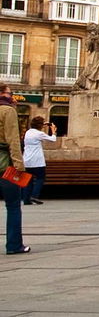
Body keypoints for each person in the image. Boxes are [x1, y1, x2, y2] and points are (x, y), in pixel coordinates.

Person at [0, 85, 28, 253]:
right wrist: (19, 167)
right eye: (10, 94)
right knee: (13, 205)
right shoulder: (7, 111)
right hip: (5, 165)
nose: (13, 97)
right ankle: (14, 245)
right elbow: (13, 140)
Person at [21, 117, 56, 205]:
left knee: (28, 180)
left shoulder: (28, 132)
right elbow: (53, 139)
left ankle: (26, 199)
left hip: (26, 160)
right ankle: (34, 196)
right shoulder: (39, 134)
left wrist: (43, 124)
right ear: (40, 125)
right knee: (40, 178)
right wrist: (53, 130)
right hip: (37, 161)